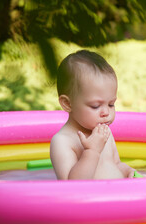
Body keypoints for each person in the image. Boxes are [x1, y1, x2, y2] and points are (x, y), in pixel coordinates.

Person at [50, 50, 138, 180]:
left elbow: (116, 164)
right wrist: (91, 152)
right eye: (95, 106)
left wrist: (129, 172)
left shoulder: (104, 132)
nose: (106, 113)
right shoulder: (63, 141)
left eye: (111, 104)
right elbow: (71, 186)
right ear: (67, 104)